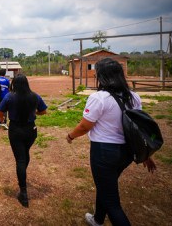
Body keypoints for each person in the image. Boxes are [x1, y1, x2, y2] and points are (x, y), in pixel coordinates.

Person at [66, 58, 156, 226]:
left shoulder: (99, 98)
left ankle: (101, 219)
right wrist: (146, 154)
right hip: (127, 153)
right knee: (105, 185)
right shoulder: (134, 97)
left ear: (102, 76)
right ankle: (98, 219)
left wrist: (70, 136)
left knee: (113, 203)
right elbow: (138, 127)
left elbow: (85, 126)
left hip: (104, 153)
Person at [0, 74, 47, 208]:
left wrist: (2, 121)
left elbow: (0, 111)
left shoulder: (9, 96)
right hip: (31, 130)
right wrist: (34, 113)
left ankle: (23, 192)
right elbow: (44, 111)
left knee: (20, 159)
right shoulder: (35, 96)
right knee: (25, 154)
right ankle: (22, 173)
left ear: (14, 84)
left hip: (16, 130)